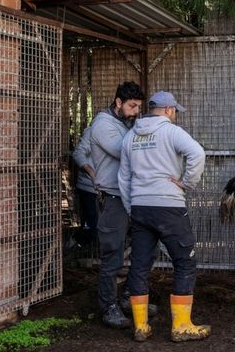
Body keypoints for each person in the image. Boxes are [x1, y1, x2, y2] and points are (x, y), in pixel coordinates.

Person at [118, 91, 210, 342]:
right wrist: (187, 183)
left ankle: (140, 326)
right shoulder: (171, 132)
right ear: (169, 110)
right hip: (168, 206)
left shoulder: (129, 137)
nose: (175, 114)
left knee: (139, 265)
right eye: (175, 110)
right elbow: (197, 154)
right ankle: (181, 326)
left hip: (140, 207)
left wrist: (131, 207)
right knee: (184, 262)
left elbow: (124, 178)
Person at [89, 81, 143, 329]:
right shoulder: (102, 124)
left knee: (146, 249)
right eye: (132, 106)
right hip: (113, 198)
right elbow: (124, 152)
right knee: (112, 256)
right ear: (118, 102)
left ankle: (129, 296)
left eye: (139, 107)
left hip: (133, 197)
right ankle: (108, 305)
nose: (135, 112)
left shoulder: (127, 124)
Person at [68, 126, 97, 249]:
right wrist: (90, 172)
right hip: (88, 187)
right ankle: (74, 243)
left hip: (109, 188)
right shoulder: (93, 131)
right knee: (90, 225)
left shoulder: (121, 130)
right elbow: (78, 153)